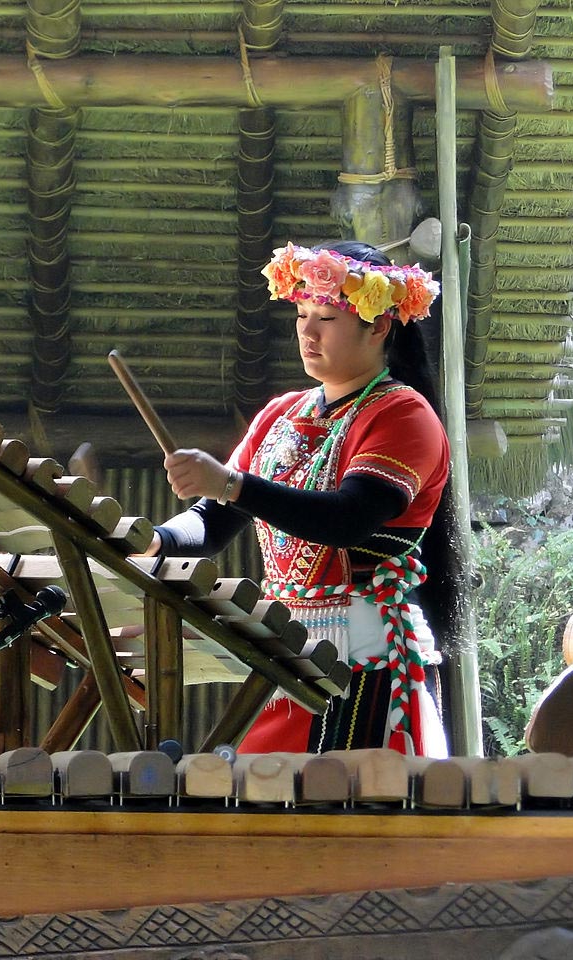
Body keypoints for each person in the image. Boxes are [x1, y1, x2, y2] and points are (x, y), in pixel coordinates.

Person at [150, 239, 461, 757]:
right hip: (282, 656)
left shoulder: (402, 414)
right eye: (301, 313)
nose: (307, 332)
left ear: (379, 325)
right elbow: (215, 520)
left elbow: (348, 519)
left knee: (353, 812)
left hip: (367, 660)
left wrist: (229, 483)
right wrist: (156, 542)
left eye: (327, 318)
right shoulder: (280, 413)